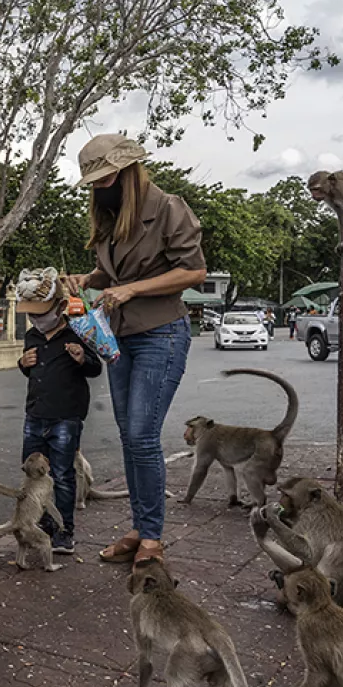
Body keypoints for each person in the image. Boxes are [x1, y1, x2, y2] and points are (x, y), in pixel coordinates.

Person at [62, 133, 206, 567]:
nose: (97, 188)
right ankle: (141, 528)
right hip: (119, 338)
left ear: (125, 173)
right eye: (93, 182)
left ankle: (153, 537)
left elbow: (194, 272)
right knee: (130, 437)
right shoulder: (112, 215)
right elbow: (113, 273)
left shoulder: (167, 208)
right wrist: (88, 280)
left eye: (103, 179)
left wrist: (130, 290)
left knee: (143, 435)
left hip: (161, 332)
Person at [15, 267, 102, 554]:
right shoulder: (32, 337)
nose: (37, 319)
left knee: (63, 474)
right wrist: (23, 364)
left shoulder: (77, 333)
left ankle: (64, 530)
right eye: (32, 314)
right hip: (35, 413)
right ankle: (40, 525)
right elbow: (34, 374)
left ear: (60, 307)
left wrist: (81, 358)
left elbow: (96, 367)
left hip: (66, 415)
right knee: (32, 472)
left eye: (41, 313)